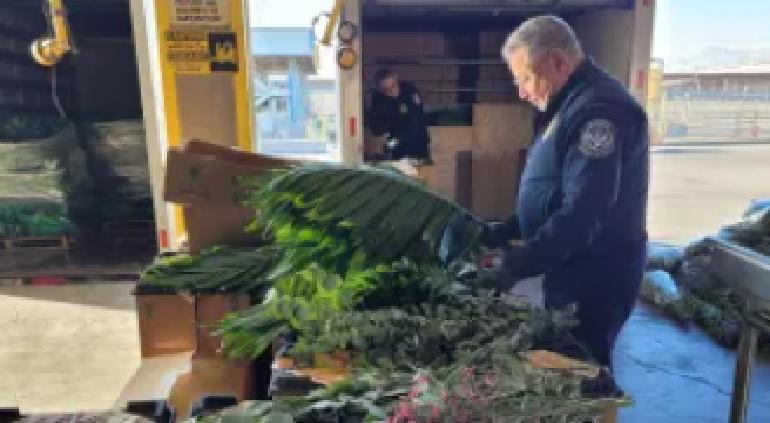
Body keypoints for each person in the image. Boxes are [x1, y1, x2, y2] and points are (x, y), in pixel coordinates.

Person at [481, 15, 649, 368]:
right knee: (563, 363)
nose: (521, 92)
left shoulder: (599, 112)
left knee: (581, 373)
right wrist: (509, 228)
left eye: (525, 79)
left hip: (594, 279)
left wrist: (516, 265)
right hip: (571, 268)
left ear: (557, 61)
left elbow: (585, 210)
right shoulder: (570, 105)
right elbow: (559, 192)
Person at [366, 69, 431, 161]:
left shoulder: (410, 93)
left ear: (396, 79)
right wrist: (388, 116)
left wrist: (394, 142)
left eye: (393, 86)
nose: (391, 91)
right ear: (380, 89)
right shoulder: (379, 99)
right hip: (397, 149)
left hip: (417, 146)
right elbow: (375, 128)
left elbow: (414, 125)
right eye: (386, 90)